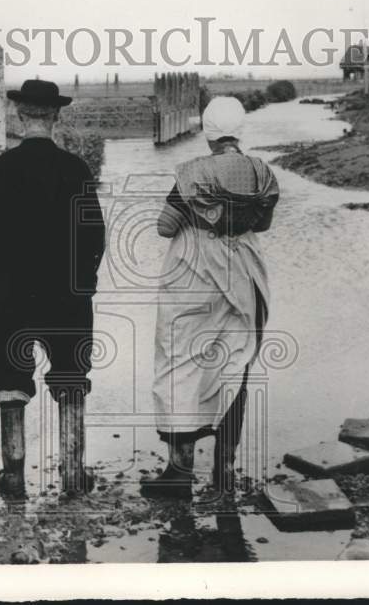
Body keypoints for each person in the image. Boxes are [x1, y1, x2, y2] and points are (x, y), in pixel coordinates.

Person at [0, 79, 105, 499]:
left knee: (10, 382)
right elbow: (94, 236)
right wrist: (84, 283)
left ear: (18, 115)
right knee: (70, 379)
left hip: (11, 297)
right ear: (56, 116)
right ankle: (72, 474)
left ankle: (13, 477)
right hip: (67, 297)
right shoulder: (77, 170)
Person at [141, 96, 280, 499]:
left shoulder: (193, 172)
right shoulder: (261, 172)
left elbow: (165, 227)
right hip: (244, 270)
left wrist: (199, 214)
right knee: (235, 364)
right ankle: (224, 470)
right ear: (240, 131)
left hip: (194, 270)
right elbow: (264, 223)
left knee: (180, 359)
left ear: (207, 132)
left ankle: (179, 470)